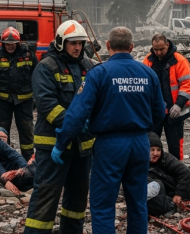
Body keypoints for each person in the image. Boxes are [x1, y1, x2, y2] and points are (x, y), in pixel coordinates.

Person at [55, 27, 165, 234]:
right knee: (138, 203)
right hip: (141, 144)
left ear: (107, 45)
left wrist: (61, 142)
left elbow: (77, 114)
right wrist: (142, 128)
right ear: (132, 47)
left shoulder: (99, 73)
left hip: (110, 145)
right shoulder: (148, 73)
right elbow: (160, 111)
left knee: (103, 205)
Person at [24, 20, 95, 234]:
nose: (77, 48)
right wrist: (75, 124)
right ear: (60, 42)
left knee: (78, 196)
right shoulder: (46, 67)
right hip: (54, 145)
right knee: (46, 195)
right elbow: (47, 105)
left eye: (80, 44)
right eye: (73, 43)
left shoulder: (88, 66)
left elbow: (96, 100)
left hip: (82, 147)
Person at [0, 27, 37, 159]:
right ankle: (6, 159)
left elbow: (37, 76)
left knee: (26, 131)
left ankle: (28, 159)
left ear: (18, 43)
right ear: (3, 44)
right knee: (2, 132)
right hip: (2, 101)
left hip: (24, 101)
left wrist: (38, 97)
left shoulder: (28, 55)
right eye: (7, 44)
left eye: (13, 44)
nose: (10, 47)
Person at [143, 34, 190, 160]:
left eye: (161, 49)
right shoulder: (148, 61)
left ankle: (176, 171)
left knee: (175, 145)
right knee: (151, 144)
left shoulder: (179, 60)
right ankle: (151, 171)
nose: (158, 52)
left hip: (174, 112)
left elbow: (187, 84)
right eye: (155, 49)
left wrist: (179, 104)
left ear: (167, 45)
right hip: (155, 112)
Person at [0, 127, 36, 195]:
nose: (3, 139)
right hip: (18, 175)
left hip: (16, 176)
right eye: (1, 136)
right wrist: (24, 168)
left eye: (4, 137)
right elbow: (16, 156)